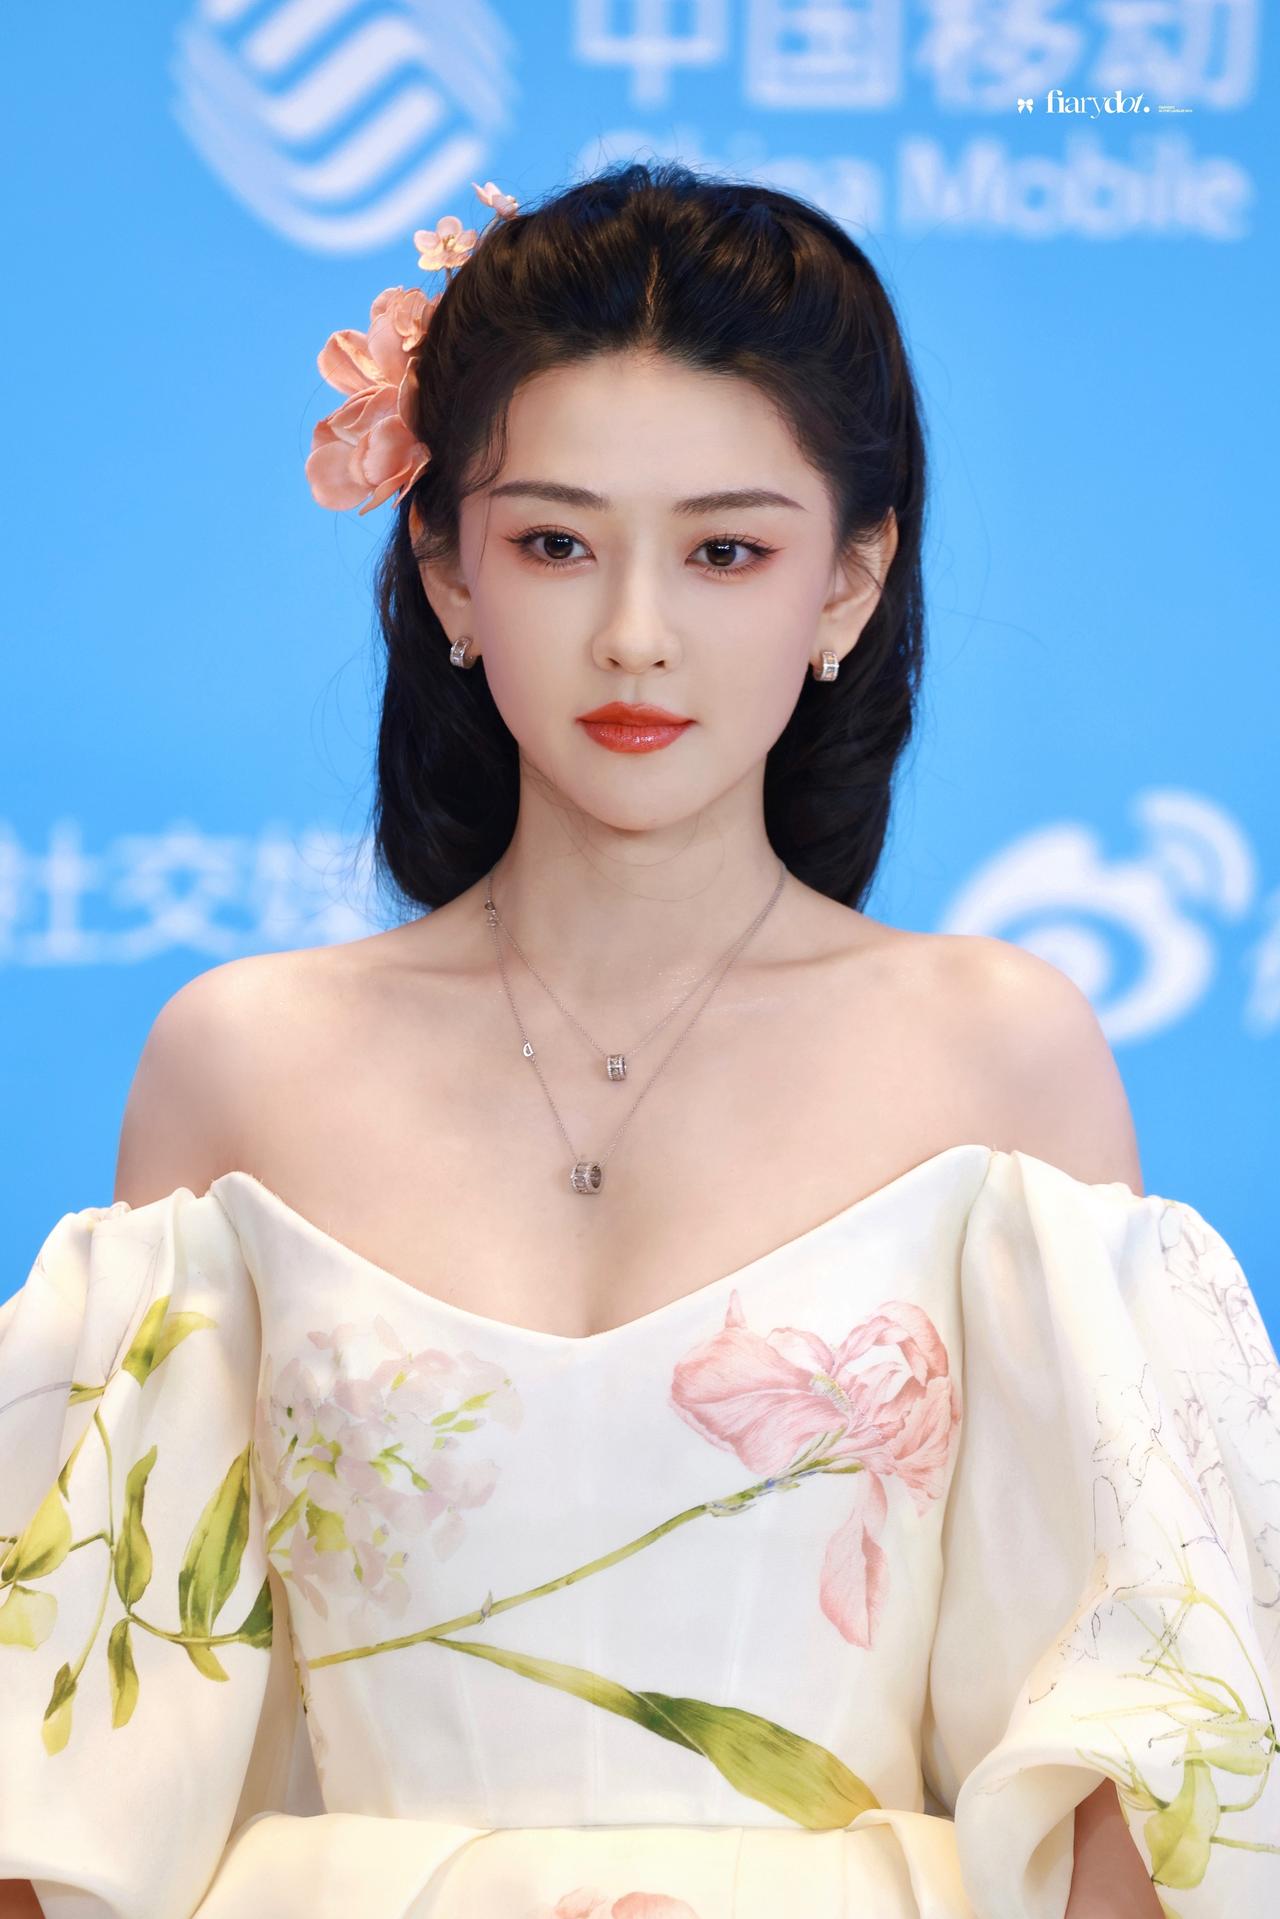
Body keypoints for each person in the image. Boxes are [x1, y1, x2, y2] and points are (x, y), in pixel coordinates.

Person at [1, 159, 1276, 1919]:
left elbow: (1140, 1744)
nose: (636, 636)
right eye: (555, 543)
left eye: (728, 550)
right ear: (447, 570)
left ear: (851, 582)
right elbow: (72, 1759)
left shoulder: (998, 1055)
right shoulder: (242, 1062)